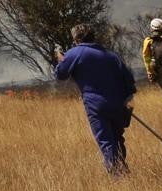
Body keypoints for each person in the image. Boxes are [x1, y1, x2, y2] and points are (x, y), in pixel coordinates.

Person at [54, 23, 137, 176]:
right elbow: (129, 81)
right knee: (117, 138)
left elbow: (61, 75)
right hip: (119, 104)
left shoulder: (75, 53)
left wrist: (61, 59)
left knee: (106, 140)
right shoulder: (112, 54)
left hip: (96, 105)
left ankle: (118, 177)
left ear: (76, 39)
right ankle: (123, 170)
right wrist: (126, 103)